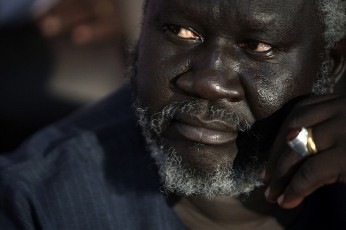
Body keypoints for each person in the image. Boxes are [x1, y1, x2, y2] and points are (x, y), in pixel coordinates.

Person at [1, 0, 346, 229]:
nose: (208, 83)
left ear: (331, 66)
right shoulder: (37, 206)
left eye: (258, 47)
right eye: (182, 33)